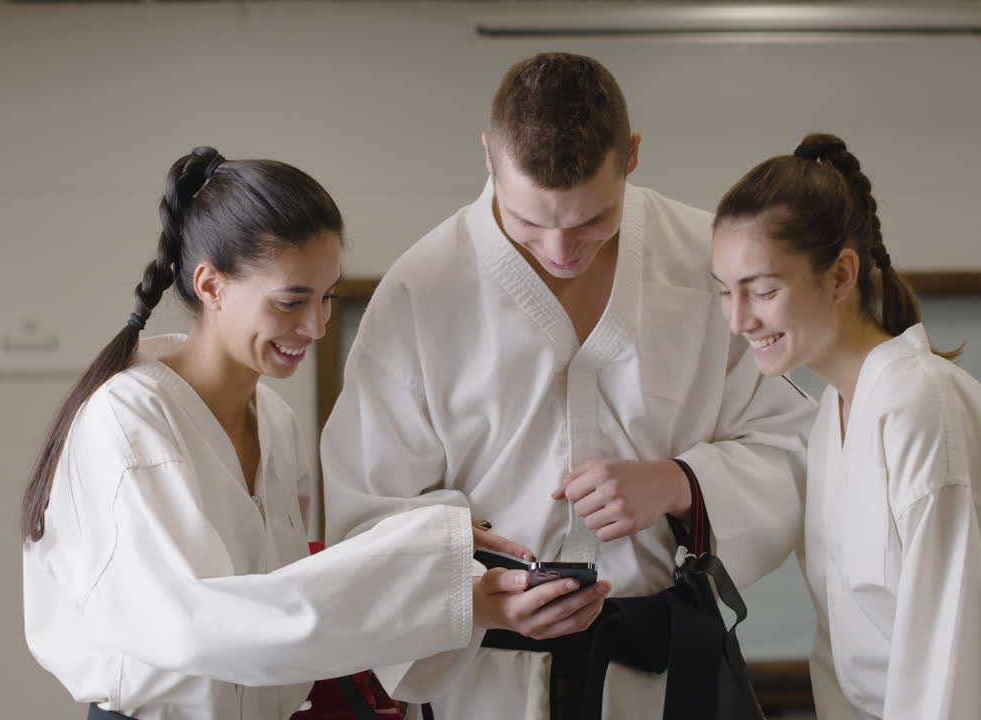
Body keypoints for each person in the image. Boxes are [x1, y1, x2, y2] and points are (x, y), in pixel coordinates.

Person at [21, 146, 599, 720]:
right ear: (210, 285)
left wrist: (468, 599)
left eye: (326, 297)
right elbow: (204, 626)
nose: (316, 325)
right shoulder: (131, 417)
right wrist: (429, 566)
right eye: (291, 301)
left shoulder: (277, 420)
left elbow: (296, 604)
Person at [321, 53, 814, 720]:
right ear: (489, 157)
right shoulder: (420, 293)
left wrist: (678, 482)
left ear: (631, 155)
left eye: (591, 220)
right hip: (488, 683)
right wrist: (475, 590)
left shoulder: (706, 261)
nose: (560, 250)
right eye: (531, 224)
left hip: (662, 674)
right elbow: (365, 511)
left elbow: (791, 445)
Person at [710, 132, 981, 719]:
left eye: (763, 290)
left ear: (841, 276)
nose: (739, 319)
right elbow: (840, 646)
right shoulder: (831, 421)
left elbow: (958, 661)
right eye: (724, 293)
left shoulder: (923, 405)